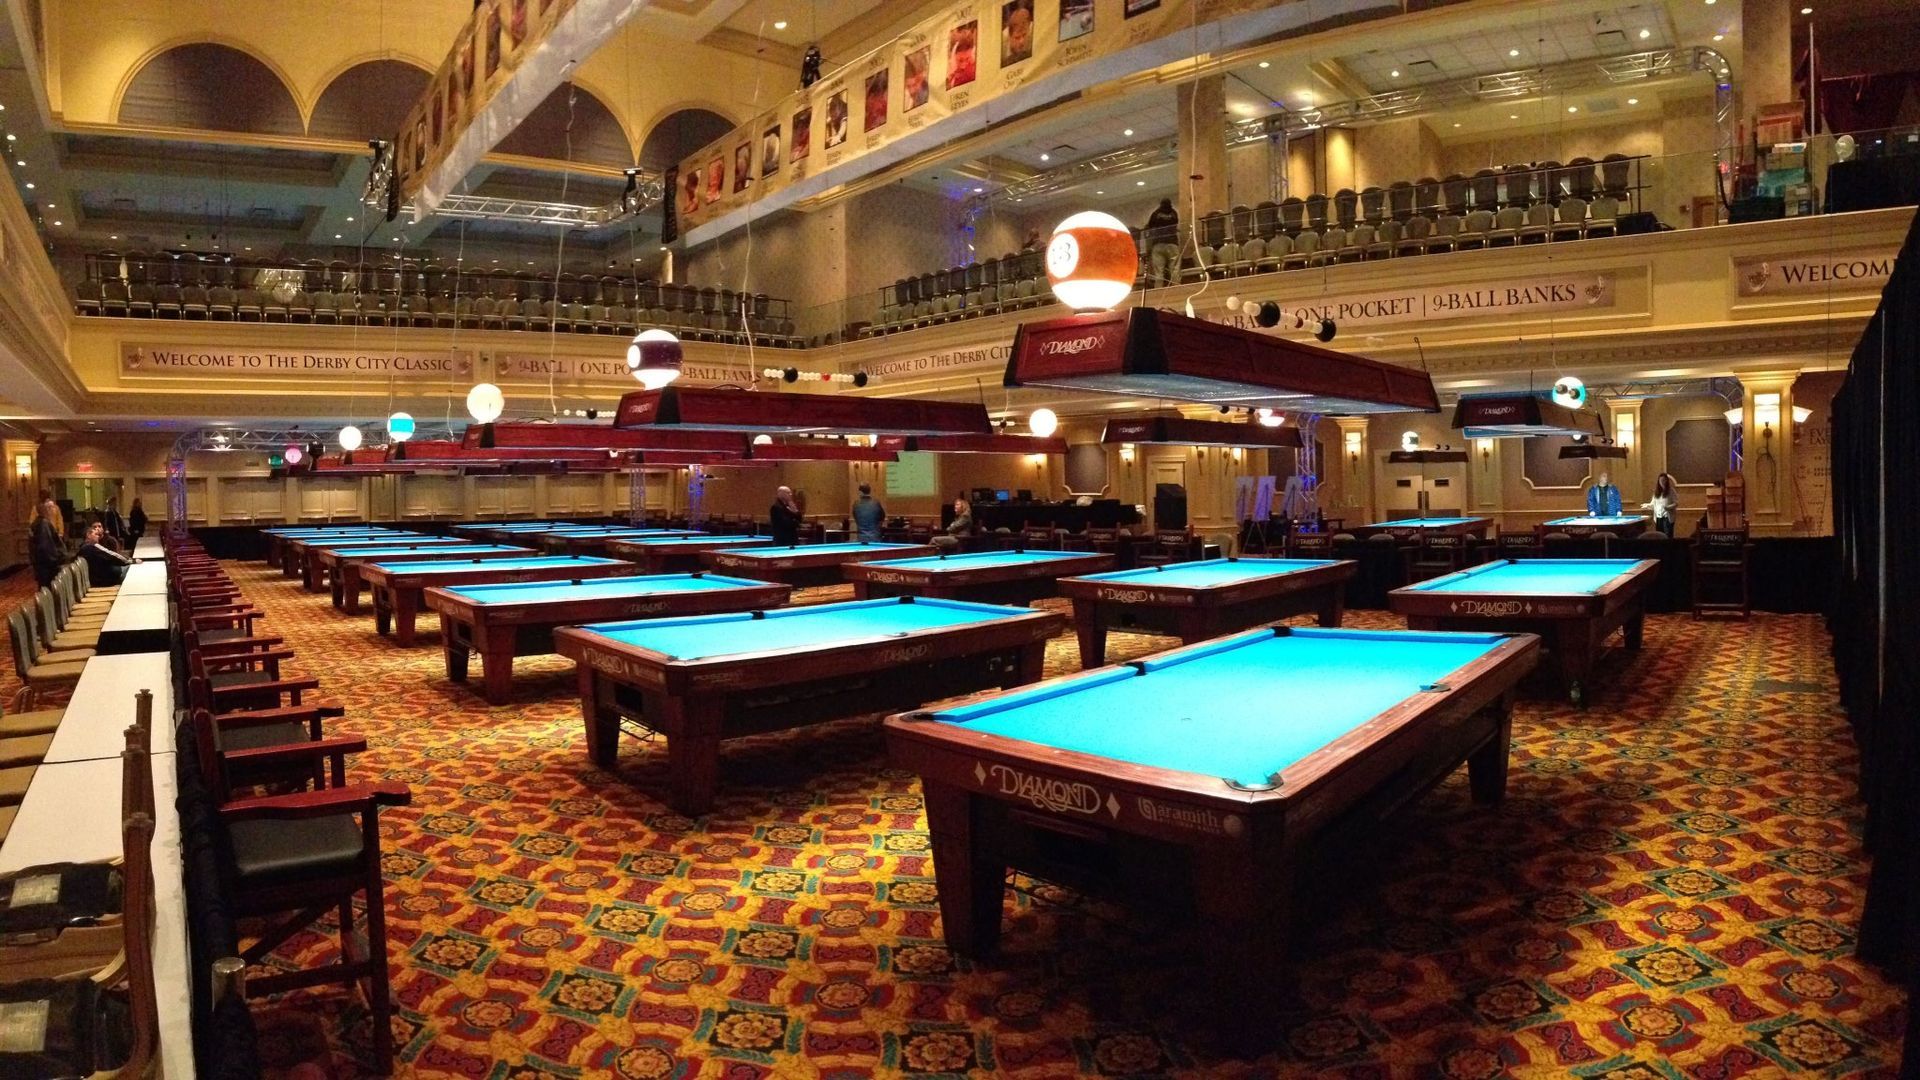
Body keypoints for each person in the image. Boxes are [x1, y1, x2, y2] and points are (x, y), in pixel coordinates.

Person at [78, 521, 134, 587]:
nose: (97, 537)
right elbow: (112, 555)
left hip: (101, 578)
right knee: (133, 568)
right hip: (107, 578)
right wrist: (132, 561)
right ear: (88, 535)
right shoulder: (92, 546)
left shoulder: (83, 548)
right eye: (96, 534)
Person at [1144, 198, 1181, 287]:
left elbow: (1150, 227)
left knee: (1159, 271)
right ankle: (1177, 288)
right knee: (1174, 268)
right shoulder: (1174, 213)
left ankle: (1158, 289)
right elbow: (1175, 224)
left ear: (1160, 204)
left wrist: (1149, 247)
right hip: (1172, 243)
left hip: (1158, 243)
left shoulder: (1156, 213)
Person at [28, 498, 64, 588]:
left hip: (39, 560)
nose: (51, 511)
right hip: (47, 562)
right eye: (49, 509)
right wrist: (56, 559)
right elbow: (46, 546)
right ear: (45, 511)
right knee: (48, 586)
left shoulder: (36, 524)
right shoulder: (44, 524)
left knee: (43, 586)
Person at [1644, 472, 1678, 537]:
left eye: (1664, 480)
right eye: (1661, 480)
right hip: (1658, 517)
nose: (1662, 482)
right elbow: (1653, 504)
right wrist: (1647, 505)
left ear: (1666, 481)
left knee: (1667, 535)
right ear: (1658, 481)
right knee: (1659, 535)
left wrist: (1668, 507)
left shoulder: (1671, 491)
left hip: (1667, 517)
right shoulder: (1656, 492)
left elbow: (1676, 503)